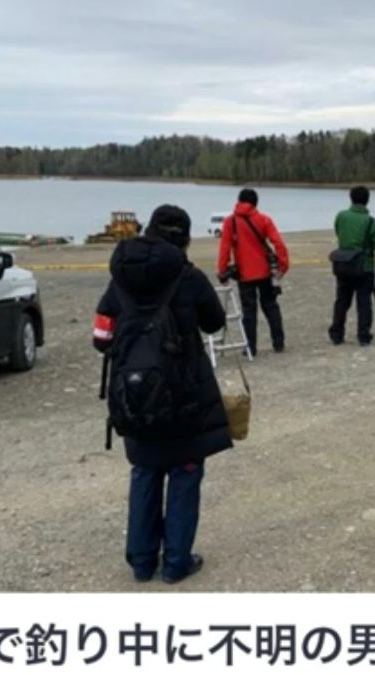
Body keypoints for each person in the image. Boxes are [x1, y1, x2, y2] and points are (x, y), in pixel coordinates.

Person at [92, 205, 232, 584]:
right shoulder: (188, 277)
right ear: (184, 239)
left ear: (149, 231)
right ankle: (175, 563)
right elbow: (216, 324)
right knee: (185, 473)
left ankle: (141, 562)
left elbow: (100, 338)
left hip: (133, 396)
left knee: (144, 471)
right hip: (184, 395)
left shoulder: (119, 279)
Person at [217, 188, 290, 356]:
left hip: (244, 274)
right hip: (265, 272)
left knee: (249, 312)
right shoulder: (264, 219)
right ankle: (278, 343)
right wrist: (282, 266)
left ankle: (250, 347)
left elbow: (225, 248)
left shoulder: (230, 222)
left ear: (239, 201)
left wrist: (222, 271)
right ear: (256, 203)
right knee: (271, 307)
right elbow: (278, 243)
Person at [329, 185, 375, 346]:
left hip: (342, 264)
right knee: (364, 302)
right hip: (364, 266)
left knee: (342, 300)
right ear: (367, 201)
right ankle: (363, 335)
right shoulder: (371, 222)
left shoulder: (341, 216)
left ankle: (337, 334)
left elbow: (338, 232)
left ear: (351, 198)